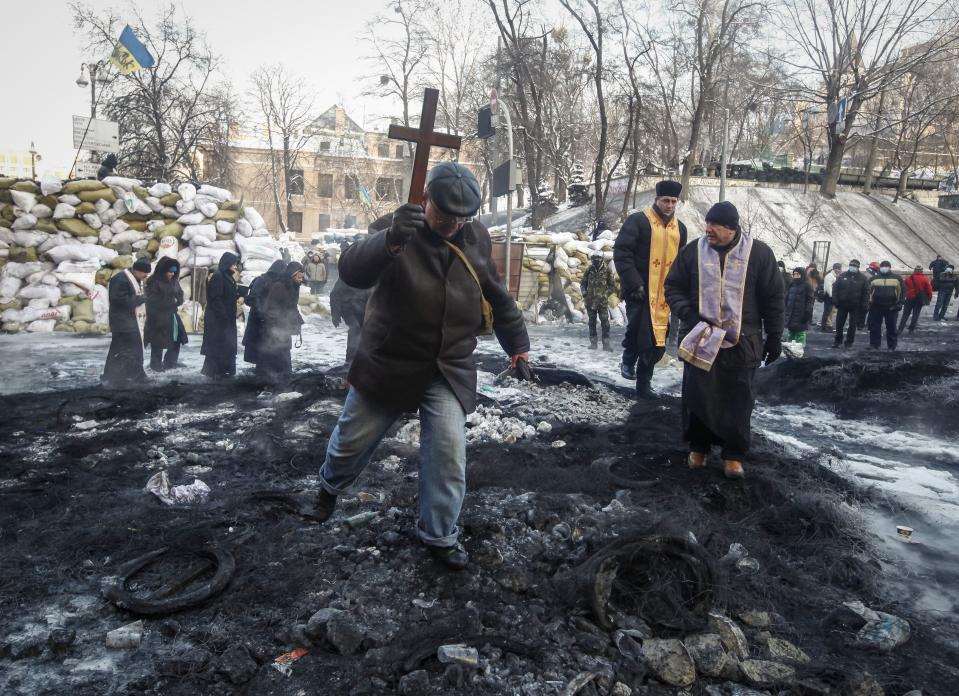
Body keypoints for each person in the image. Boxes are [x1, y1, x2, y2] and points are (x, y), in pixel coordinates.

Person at [315, 162, 530, 571]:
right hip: (390, 361)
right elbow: (352, 272)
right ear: (426, 198)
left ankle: (439, 534)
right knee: (351, 441)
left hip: (448, 365)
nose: (452, 224)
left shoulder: (476, 236)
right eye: (444, 215)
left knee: (448, 452)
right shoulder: (394, 227)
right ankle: (327, 490)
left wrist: (517, 344)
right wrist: (392, 240)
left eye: (461, 217)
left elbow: (495, 293)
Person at [664, 201, 784, 480]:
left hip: (743, 341)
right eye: (707, 224)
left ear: (731, 229)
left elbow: (774, 298)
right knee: (697, 395)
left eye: (715, 225)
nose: (709, 230)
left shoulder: (759, 254)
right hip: (701, 339)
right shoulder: (693, 251)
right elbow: (672, 286)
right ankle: (699, 447)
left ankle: (733, 455)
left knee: (739, 399)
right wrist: (689, 314)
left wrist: (775, 335)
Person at [613, 180, 687, 398]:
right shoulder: (639, 221)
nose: (669, 205)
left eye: (674, 201)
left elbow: (682, 262)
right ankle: (628, 360)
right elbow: (622, 252)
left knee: (658, 342)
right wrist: (634, 283)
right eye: (666, 200)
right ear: (657, 200)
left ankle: (644, 383)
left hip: (666, 295)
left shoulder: (680, 229)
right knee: (639, 331)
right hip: (641, 290)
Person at [101, 257, 151, 386]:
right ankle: (117, 375)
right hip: (122, 322)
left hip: (130, 322)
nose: (145, 276)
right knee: (122, 350)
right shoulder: (120, 279)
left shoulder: (134, 279)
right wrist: (140, 299)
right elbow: (119, 300)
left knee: (131, 349)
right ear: (137, 270)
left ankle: (129, 374)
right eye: (144, 273)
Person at [200, 252, 248, 379]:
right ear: (227, 263)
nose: (235, 267)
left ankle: (224, 371)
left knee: (226, 345)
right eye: (233, 264)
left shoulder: (227, 277)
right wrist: (223, 316)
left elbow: (226, 294)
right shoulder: (218, 276)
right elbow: (215, 298)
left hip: (225, 318)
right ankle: (214, 372)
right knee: (218, 346)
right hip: (218, 320)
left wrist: (238, 293)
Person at [258, 261, 305, 383]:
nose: (301, 280)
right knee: (274, 353)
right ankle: (270, 379)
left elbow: (292, 307)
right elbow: (271, 308)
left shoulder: (294, 287)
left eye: (302, 277)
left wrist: (297, 320)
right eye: (299, 277)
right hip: (274, 327)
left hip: (284, 327)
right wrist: (277, 326)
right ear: (292, 275)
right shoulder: (279, 287)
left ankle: (284, 377)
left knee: (283, 352)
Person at [143, 257, 187, 371]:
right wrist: (169, 302)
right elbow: (152, 300)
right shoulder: (153, 282)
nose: (172, 274)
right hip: (158, 318)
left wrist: (178, 300)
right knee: (157, 342)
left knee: (176, 339)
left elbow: (180, 293)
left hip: (172, 316)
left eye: (174, 272)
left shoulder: (174, 281)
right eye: (170, 271)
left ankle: (170, 362)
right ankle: (156, 365)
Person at [242, 260, 287, 371]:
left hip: (268, 320)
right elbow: (253, 298)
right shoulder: (262, 280)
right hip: (258, 319)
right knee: (259, 345)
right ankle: (261, 372)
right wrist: (262, 313)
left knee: (266, 347)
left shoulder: (276, 282)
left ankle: (265, 370)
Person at [580, 249, 617, 351]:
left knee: (605, 323)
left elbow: (612, 286)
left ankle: (606, 345)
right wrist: (584, 293)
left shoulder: (607, 270)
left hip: (602, 302)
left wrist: (605, 295)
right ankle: (593, 344)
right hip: (590, 301)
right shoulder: (589, 270)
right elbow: (583, 283)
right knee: (592, 323)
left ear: (602, 259)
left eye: (598, 258)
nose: (596, 260)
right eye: (594, 258)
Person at [329, 277, 371, 364]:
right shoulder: (347, 275)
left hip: (363, 309)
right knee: (355, 327)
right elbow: (335, 295)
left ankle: (364, 358)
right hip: (348, 309)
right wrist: (335, 315)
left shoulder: (370, 277)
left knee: (366, 332)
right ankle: (350, 360)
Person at [831, 259, 870, 349]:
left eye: (855, 266)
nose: (853, 267)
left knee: (852, 325)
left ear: (858, 267)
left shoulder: (863, 278)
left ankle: (849, 342)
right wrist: (835, 300)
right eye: (851, 265)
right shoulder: (842, 276)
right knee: (839, 324)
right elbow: (835, 289)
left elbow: (866, 293)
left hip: (855, 306)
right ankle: (837, 341)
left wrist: (864, 305)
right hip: (842, 304)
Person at [867, 260, 905, 350]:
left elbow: (903, 292)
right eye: (882, 266)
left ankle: (892, 346)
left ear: (889, 267)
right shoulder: (874, 279)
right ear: (880, 268)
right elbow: (867, 292)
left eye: (886, 266)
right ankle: (874, 344)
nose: (884, 268)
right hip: (876, 306)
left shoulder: (897, 278)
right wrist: (869, 303)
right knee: (875, 327)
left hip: (892, 307)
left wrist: (899, 304)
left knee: (891, 328)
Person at [898, 265, 933, 335]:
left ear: (914, 271)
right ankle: (911, 330)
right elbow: (929, 290)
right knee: (915, 314)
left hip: (909, 298)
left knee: (905, 314)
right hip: (919, 299)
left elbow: (903, 288)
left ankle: (900, 329)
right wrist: (929, 298)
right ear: (922, 271)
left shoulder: (908, 278)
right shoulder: (925, 279)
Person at [784, 267, 815, 346]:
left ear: (802, 275)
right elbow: (786, 298)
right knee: (791, 332)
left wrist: (807, 313)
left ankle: (799, 349)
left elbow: (810, 301)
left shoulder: (807, 286)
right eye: (794, 274)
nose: (796, 276)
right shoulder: (791, 284)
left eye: (798, 274)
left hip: (801, 314)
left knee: (800, 333)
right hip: (791, 313)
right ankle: (789, 348)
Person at [819, 262, 842, 331]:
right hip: (829, 297)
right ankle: (824, 326)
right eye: (837, 269)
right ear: (834, 269)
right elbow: (829, 288)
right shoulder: (830, 276)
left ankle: (828, 325)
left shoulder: (834, 276)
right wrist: (832, 296)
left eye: (839, 269)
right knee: (827, 312)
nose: (839, 270)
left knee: (831, 312)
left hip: (832, 297)